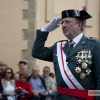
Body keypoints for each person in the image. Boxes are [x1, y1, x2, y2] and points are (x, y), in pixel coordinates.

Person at [32, 9, 100, 100]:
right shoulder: (58, 46)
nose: (63, 25)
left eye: (67, 22)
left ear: (79, 25)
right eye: (62, 22)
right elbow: (37, 52)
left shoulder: (94, 45)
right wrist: (44, 31)